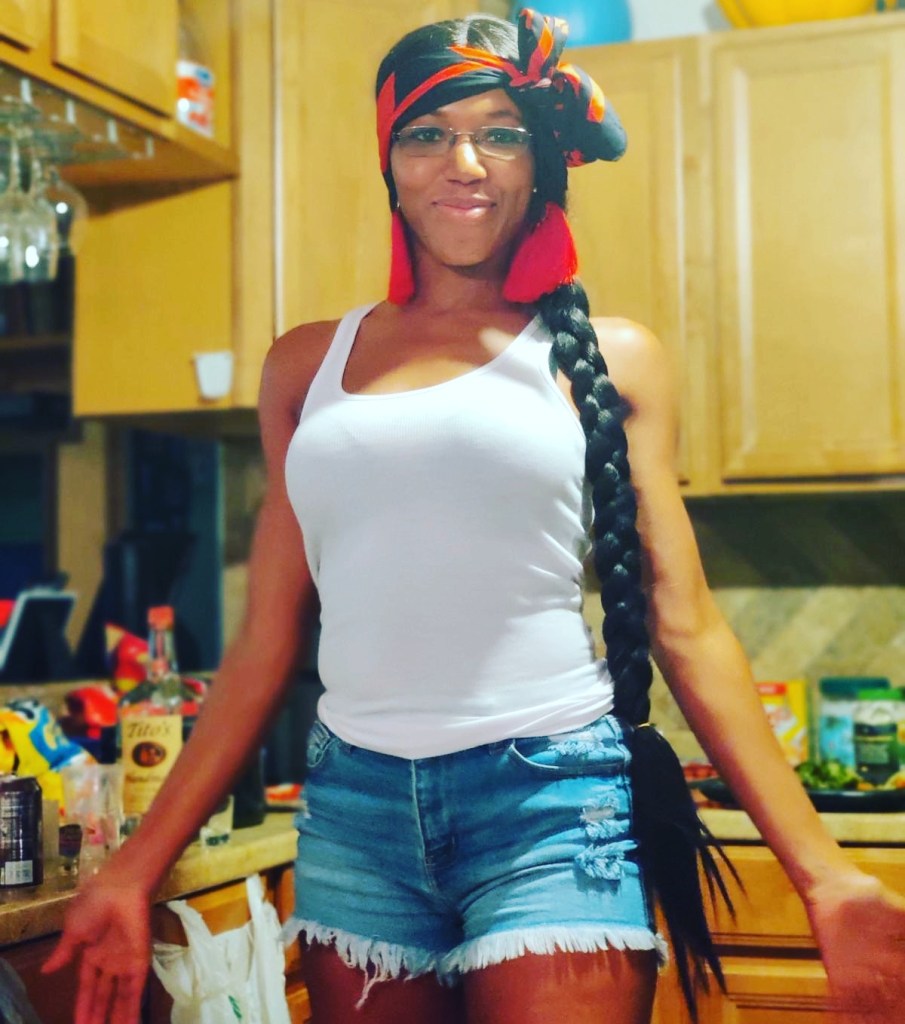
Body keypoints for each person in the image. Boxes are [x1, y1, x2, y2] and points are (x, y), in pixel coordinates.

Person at [45, 8, 905, 1024]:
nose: (463, 163)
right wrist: (131, 871)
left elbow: (686, 625)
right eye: (426, 133)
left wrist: (825, 878)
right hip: (353, 812)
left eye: (499, 133)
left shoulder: (614, 358)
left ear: (540, 162)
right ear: (388, 162)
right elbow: (266, 644)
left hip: (550, 803)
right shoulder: (303, 365)